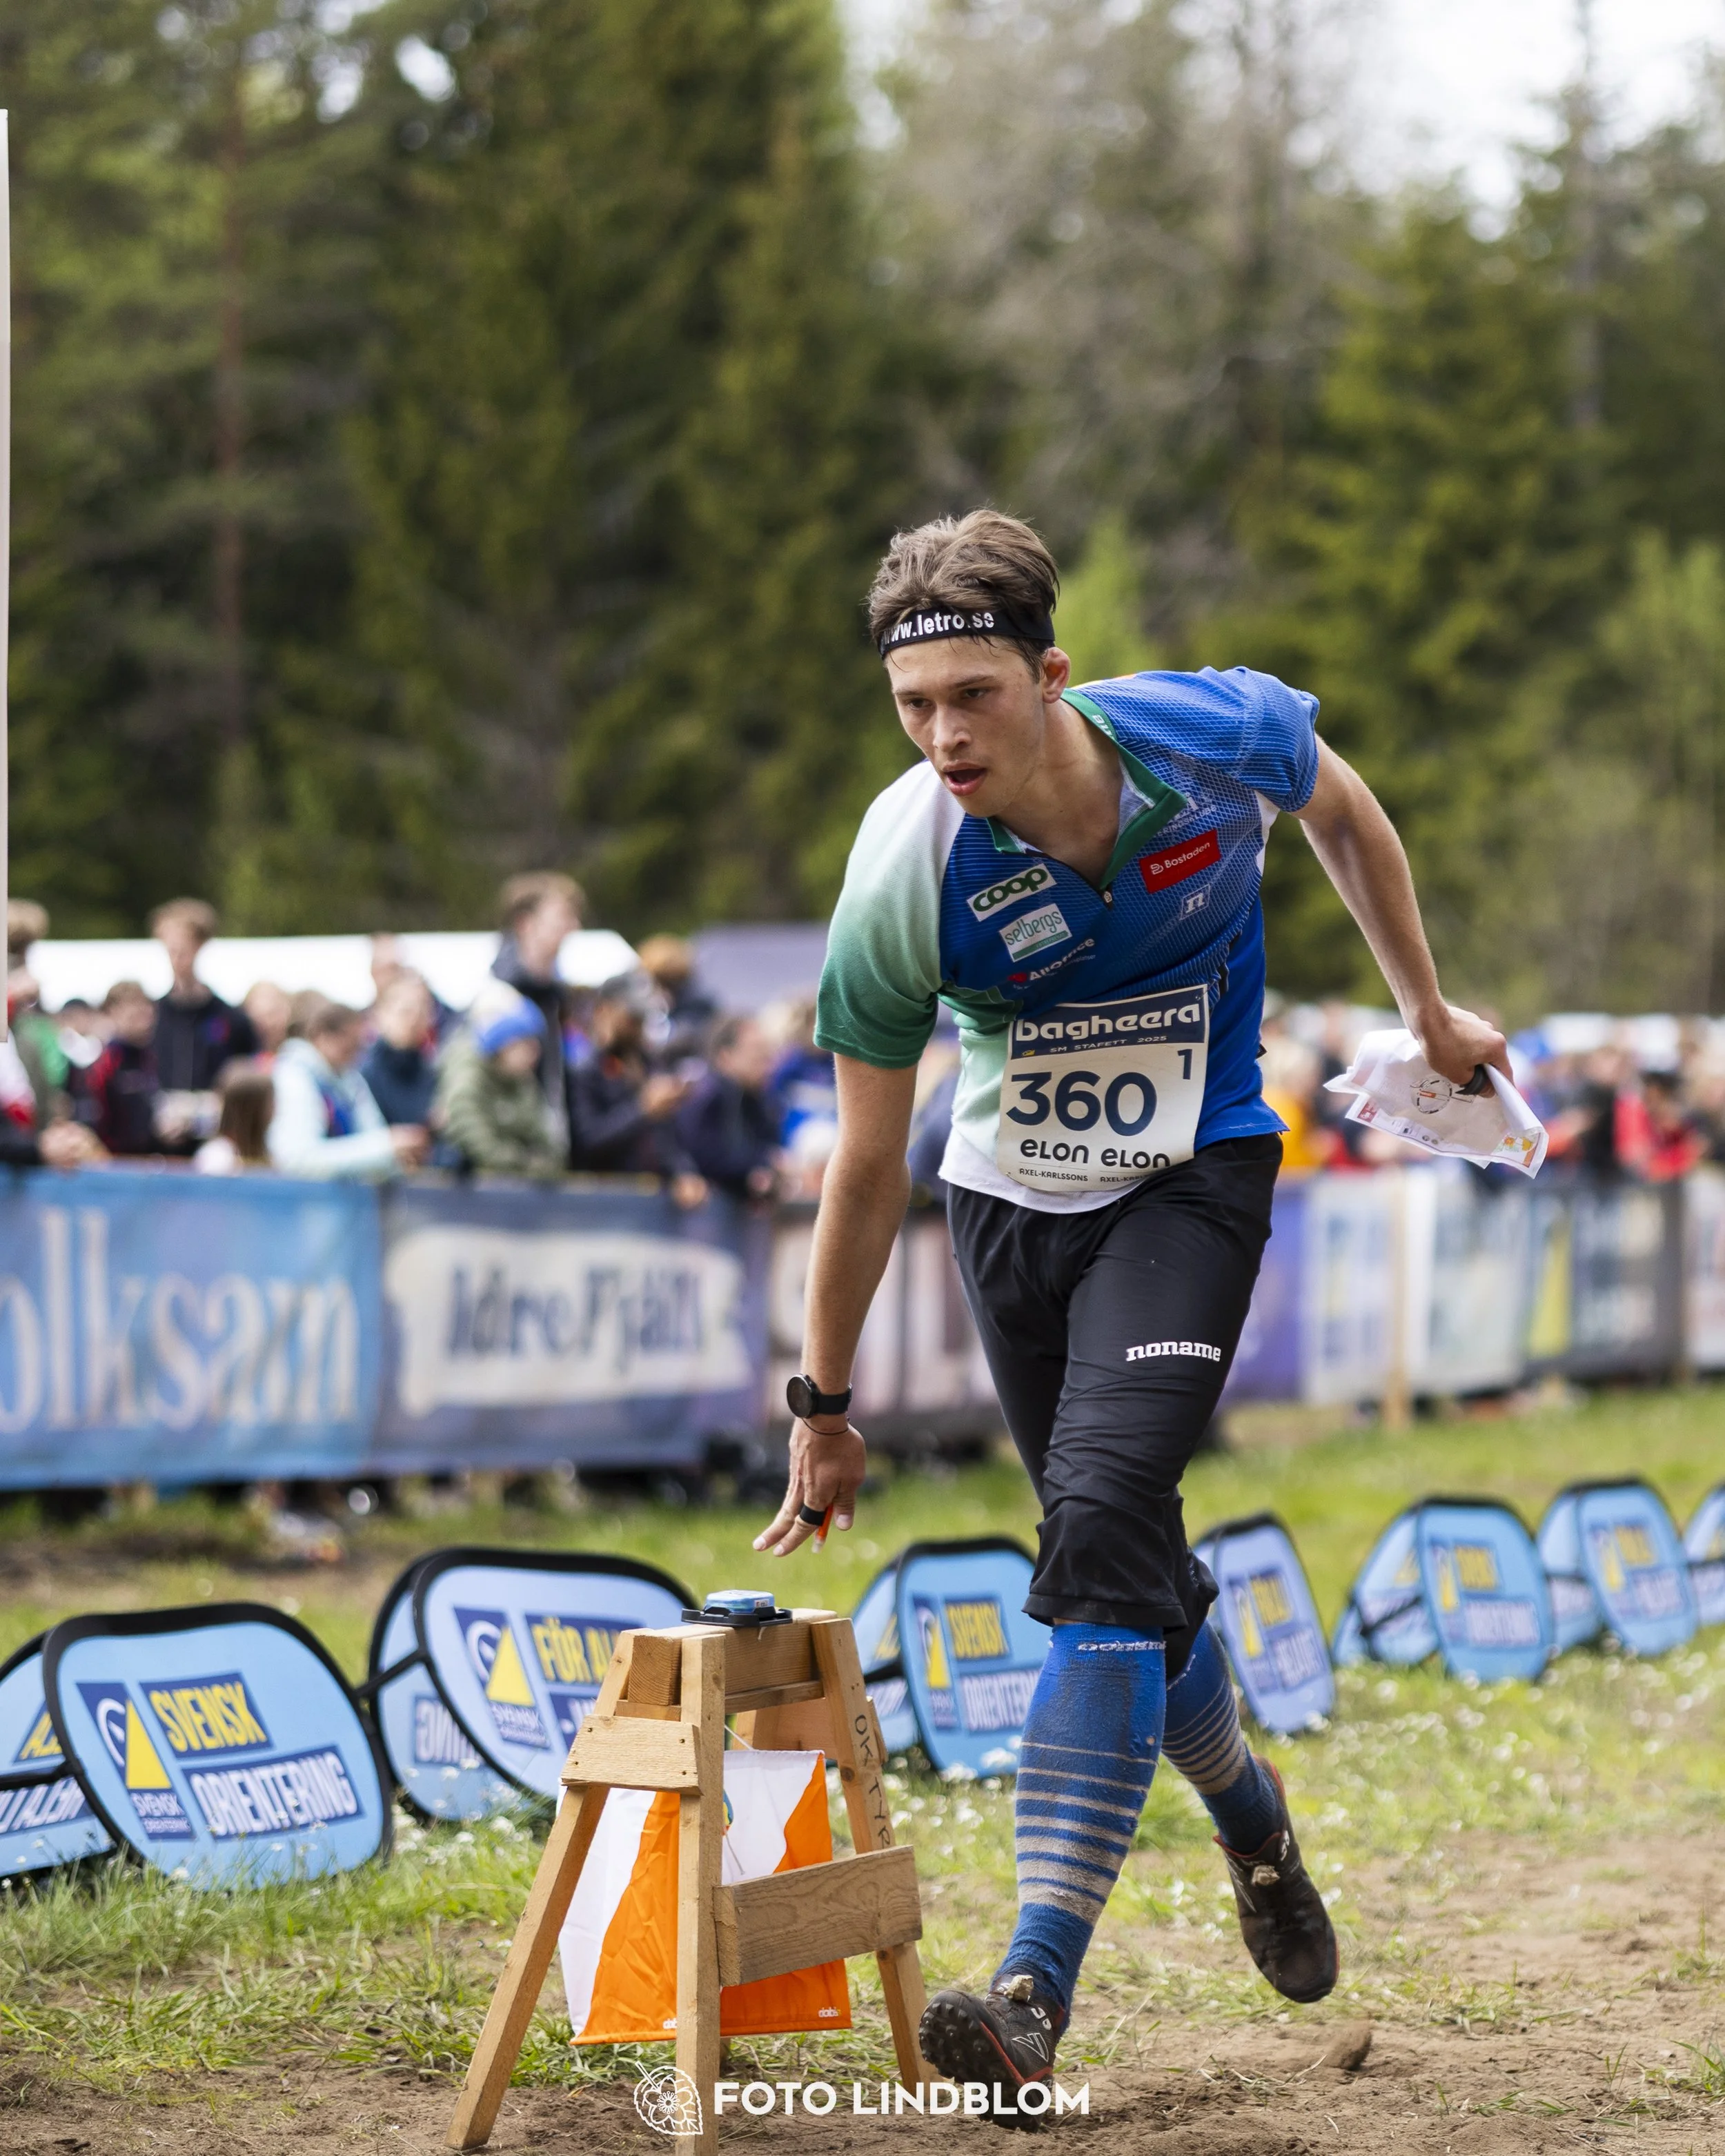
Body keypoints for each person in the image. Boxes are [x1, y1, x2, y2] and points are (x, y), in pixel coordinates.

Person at [753, 509, 1510, 2115]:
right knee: (1130, 1565)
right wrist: (820, 1408)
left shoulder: (1202, 729)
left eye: (974, 695)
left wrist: (1422, 1009)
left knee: (1097, 1521)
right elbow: (868, 1166)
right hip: (1013, 1213)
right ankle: (1256, 1821)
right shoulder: (905, 874)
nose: (945, 736)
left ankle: (1033, 1981)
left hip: (1194, 1176)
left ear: (1054, 677)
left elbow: (1346, 811)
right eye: (912, 710)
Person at [566, 979, 705, 1205]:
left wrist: (684, 1172)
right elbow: (587, 1141)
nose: (638, 1026)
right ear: (605, 1011)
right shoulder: (585, 1068)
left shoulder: (648, 1063)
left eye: (642, 1018)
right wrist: (642, 1110)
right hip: (603, 1200)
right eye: (631, 1017)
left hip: (653, 1201)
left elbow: (667, 1136)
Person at [268, 998, 428, 1180]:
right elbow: (297, 1160)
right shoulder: (294, 1078)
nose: (356, 1053)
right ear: (322, 1036)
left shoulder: (350, 1080)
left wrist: (397, 1150)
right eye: (349, 1043)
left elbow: (373, 1134)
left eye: (360, 1044)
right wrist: (386, 1146)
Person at [436, 993, 565, 1180]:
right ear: (505, 1044)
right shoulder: (469, 1075)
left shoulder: (522, 1081)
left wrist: (541, 1164)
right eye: (526, 1045)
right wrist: (527, 1163)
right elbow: (477, 1142)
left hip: (514, 1189)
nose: (535, 1054)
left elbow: (551, 1144)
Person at [491, 871, 583, 1118]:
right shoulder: (499, 996)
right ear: (526, 924)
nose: (573, 926)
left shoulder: (554, 994)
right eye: (562, 917)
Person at [676, 1014, 783, 1200]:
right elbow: (706, 1158)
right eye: (757, 1055)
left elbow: (766, 1144)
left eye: (768, 1055)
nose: (768, 1066)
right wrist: (761, 1165)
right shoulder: (705, 1096)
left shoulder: (756, 1097)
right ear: (726, 1055)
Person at [78, 981, 162, 1156]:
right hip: (116, 1161)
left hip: (153, 1158)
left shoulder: (152, 1058)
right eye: (135, 1016)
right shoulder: (105, 1064)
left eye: (146, 1016)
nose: (144, 1023)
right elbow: (91, 1118)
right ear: (114, 1014)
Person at [361, 973, 440, 1129]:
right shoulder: (362, 1074)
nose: (414, 1021)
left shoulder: (430, 1072)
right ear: (381, 1014)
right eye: (405, 1012)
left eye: (422, 1013)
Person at [195, 1062, 275, 1174]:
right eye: (270, 1103)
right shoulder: (218, 1158)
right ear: (252, 1111)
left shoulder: (267, 1153)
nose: (274, 1110)